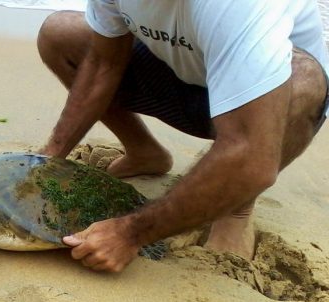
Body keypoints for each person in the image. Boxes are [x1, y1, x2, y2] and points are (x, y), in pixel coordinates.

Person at [36, 0, 329, 272]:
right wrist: (51, 156)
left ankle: (236, 210)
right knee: (61, 33)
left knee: (306, 79)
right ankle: (144, 151)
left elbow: (251, 153)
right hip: (186, 75)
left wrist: (130, 233)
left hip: (265, 110)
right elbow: (103, 64)